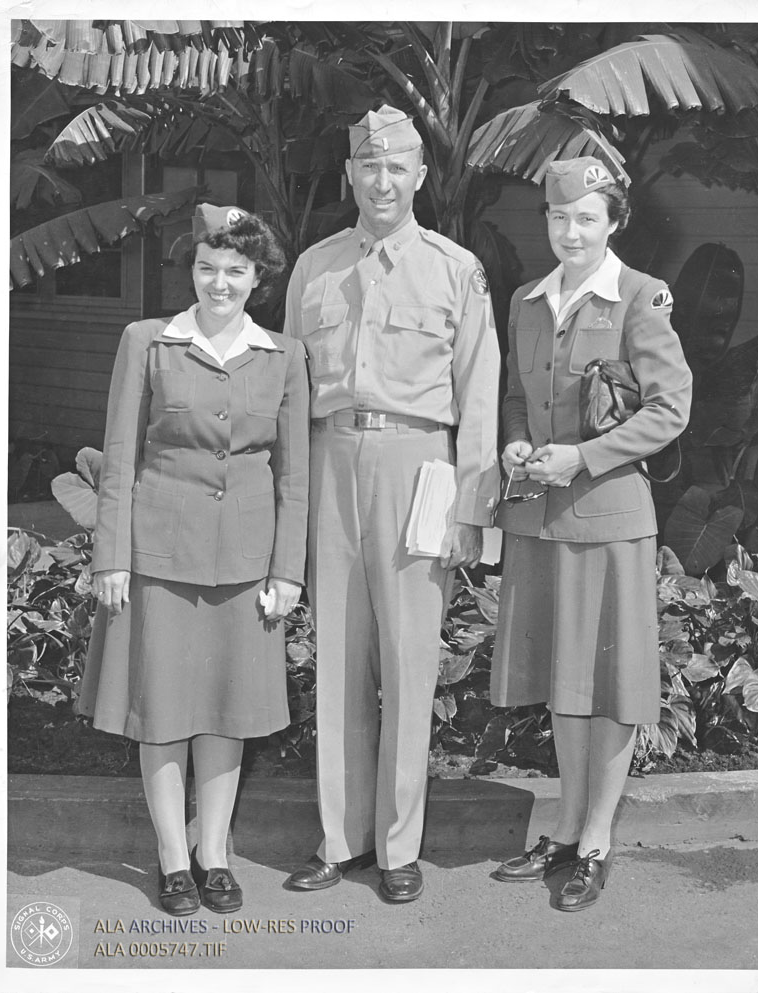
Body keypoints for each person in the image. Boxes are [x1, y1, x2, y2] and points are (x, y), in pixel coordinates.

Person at [282, 105, 500, 903]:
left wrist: (474, 510)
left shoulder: (455, 269)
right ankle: (341, 839)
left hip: (420, 465)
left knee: (410, 659)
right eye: (368, 167)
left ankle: (400, 845)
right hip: (332, 457)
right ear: (350, 175)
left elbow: (480, 394)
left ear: (419, 176)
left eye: (396, 167)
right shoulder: (314, 268)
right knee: (338, 655)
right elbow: (290, 390)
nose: (382, 181)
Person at [77, 204, 309, 916]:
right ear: (192, 271)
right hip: (160, 555)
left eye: (235, 269)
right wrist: (111, 558)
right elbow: (120, 457)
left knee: (226, 713)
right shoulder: (147, 342)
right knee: (165, 711)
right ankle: (173, 859)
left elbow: (294, 475)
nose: (219, 282)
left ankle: (215, 853)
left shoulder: (284, 355)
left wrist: (287, 570)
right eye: (208, 267)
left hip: (244, 561)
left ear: (258, 276)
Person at [490, 157, 692, 911]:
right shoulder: (527, 300)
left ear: (613, 222)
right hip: (541, 520)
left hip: (608, 518)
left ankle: (597, 840)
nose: (570, 232)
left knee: (607, 685)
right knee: (564, 681)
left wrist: (582, 456)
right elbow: (517, 394)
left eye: (585, 218)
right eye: (557, 217)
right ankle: (566, 828)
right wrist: (516, 441)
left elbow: (670, 409)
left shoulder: (639, 296)